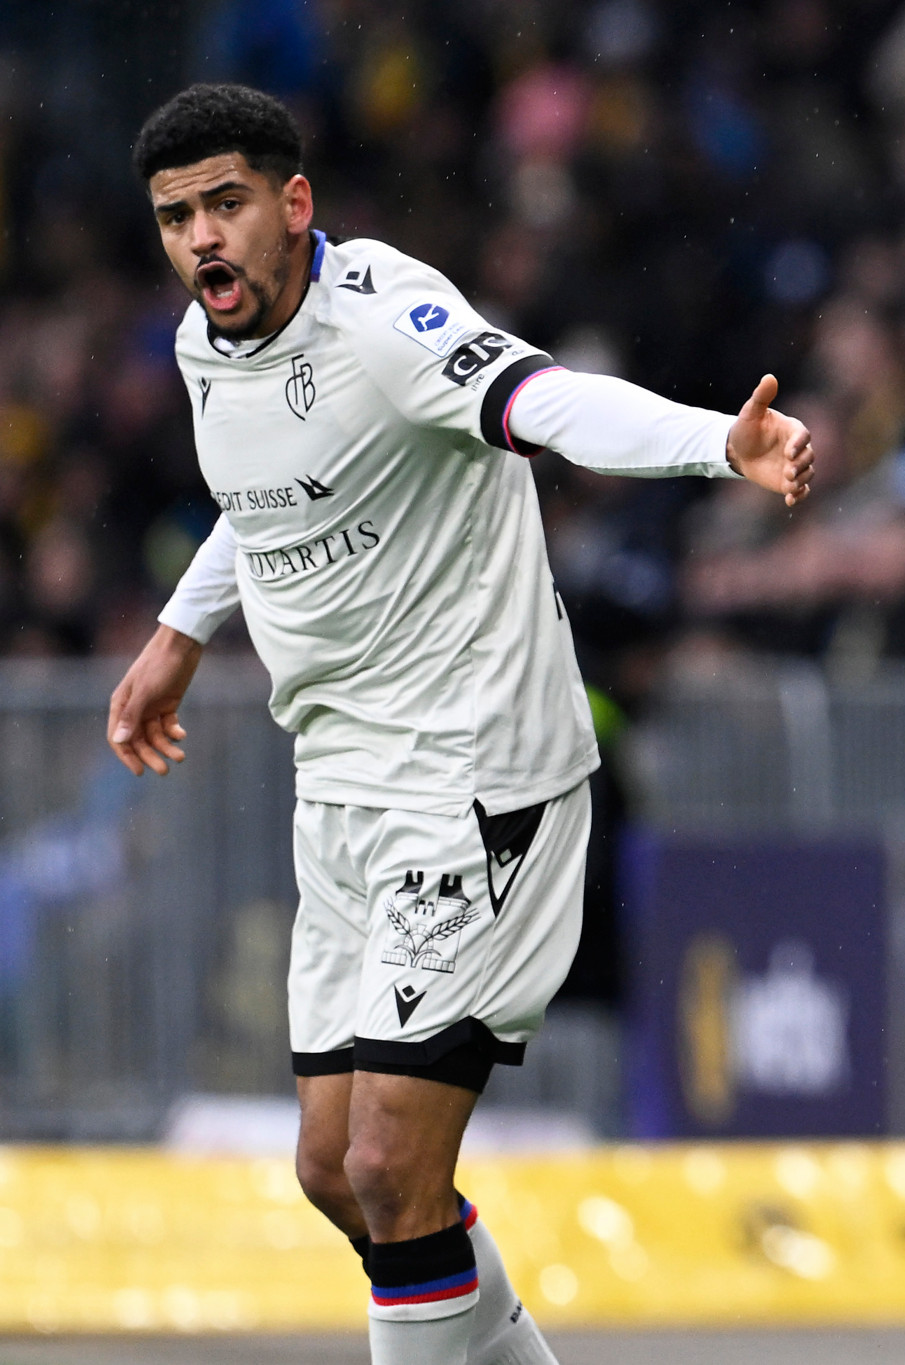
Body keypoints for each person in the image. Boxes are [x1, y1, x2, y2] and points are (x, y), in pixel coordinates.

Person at [105, 85, 813, 1365]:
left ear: (293, 204)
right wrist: (176, 633)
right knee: (332, 1169)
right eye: (176, 217)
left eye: (227, 204)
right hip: (343, 790)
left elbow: (542, 404)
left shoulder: (384, 316)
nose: (203, 238)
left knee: (390, 1165)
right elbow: (267, 498)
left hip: (476, 782)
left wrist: (721, 442)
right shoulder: (204, 351)